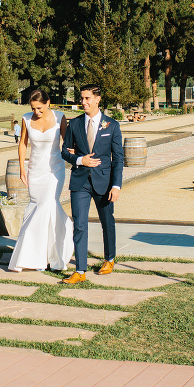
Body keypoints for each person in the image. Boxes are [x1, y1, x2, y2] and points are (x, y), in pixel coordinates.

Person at [59, 84, 124, 284]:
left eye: (87, 98)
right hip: (80, 182)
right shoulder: (75, 124)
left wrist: (116, 185)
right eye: (82, 98)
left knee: (107, 222)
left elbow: (118, 158)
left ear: (97, 99)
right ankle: (80, 270)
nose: (83, 102)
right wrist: (80, 160)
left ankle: (110, 258)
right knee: (79, 225)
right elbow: (65, 152)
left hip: (104, 182)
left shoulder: (112, 125)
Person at [8, 89, 73, 272]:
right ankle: (44, 255)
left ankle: (47, 255)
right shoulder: (26, 118)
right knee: (38, 206)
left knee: (47, 205)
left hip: (55, 171)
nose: (36, 112)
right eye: (33, 108)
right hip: (35, 170)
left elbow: (67, 142)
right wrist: (22, 167)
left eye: (40, 108)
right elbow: (23, 143)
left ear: (48, 103)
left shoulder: (60, 117)